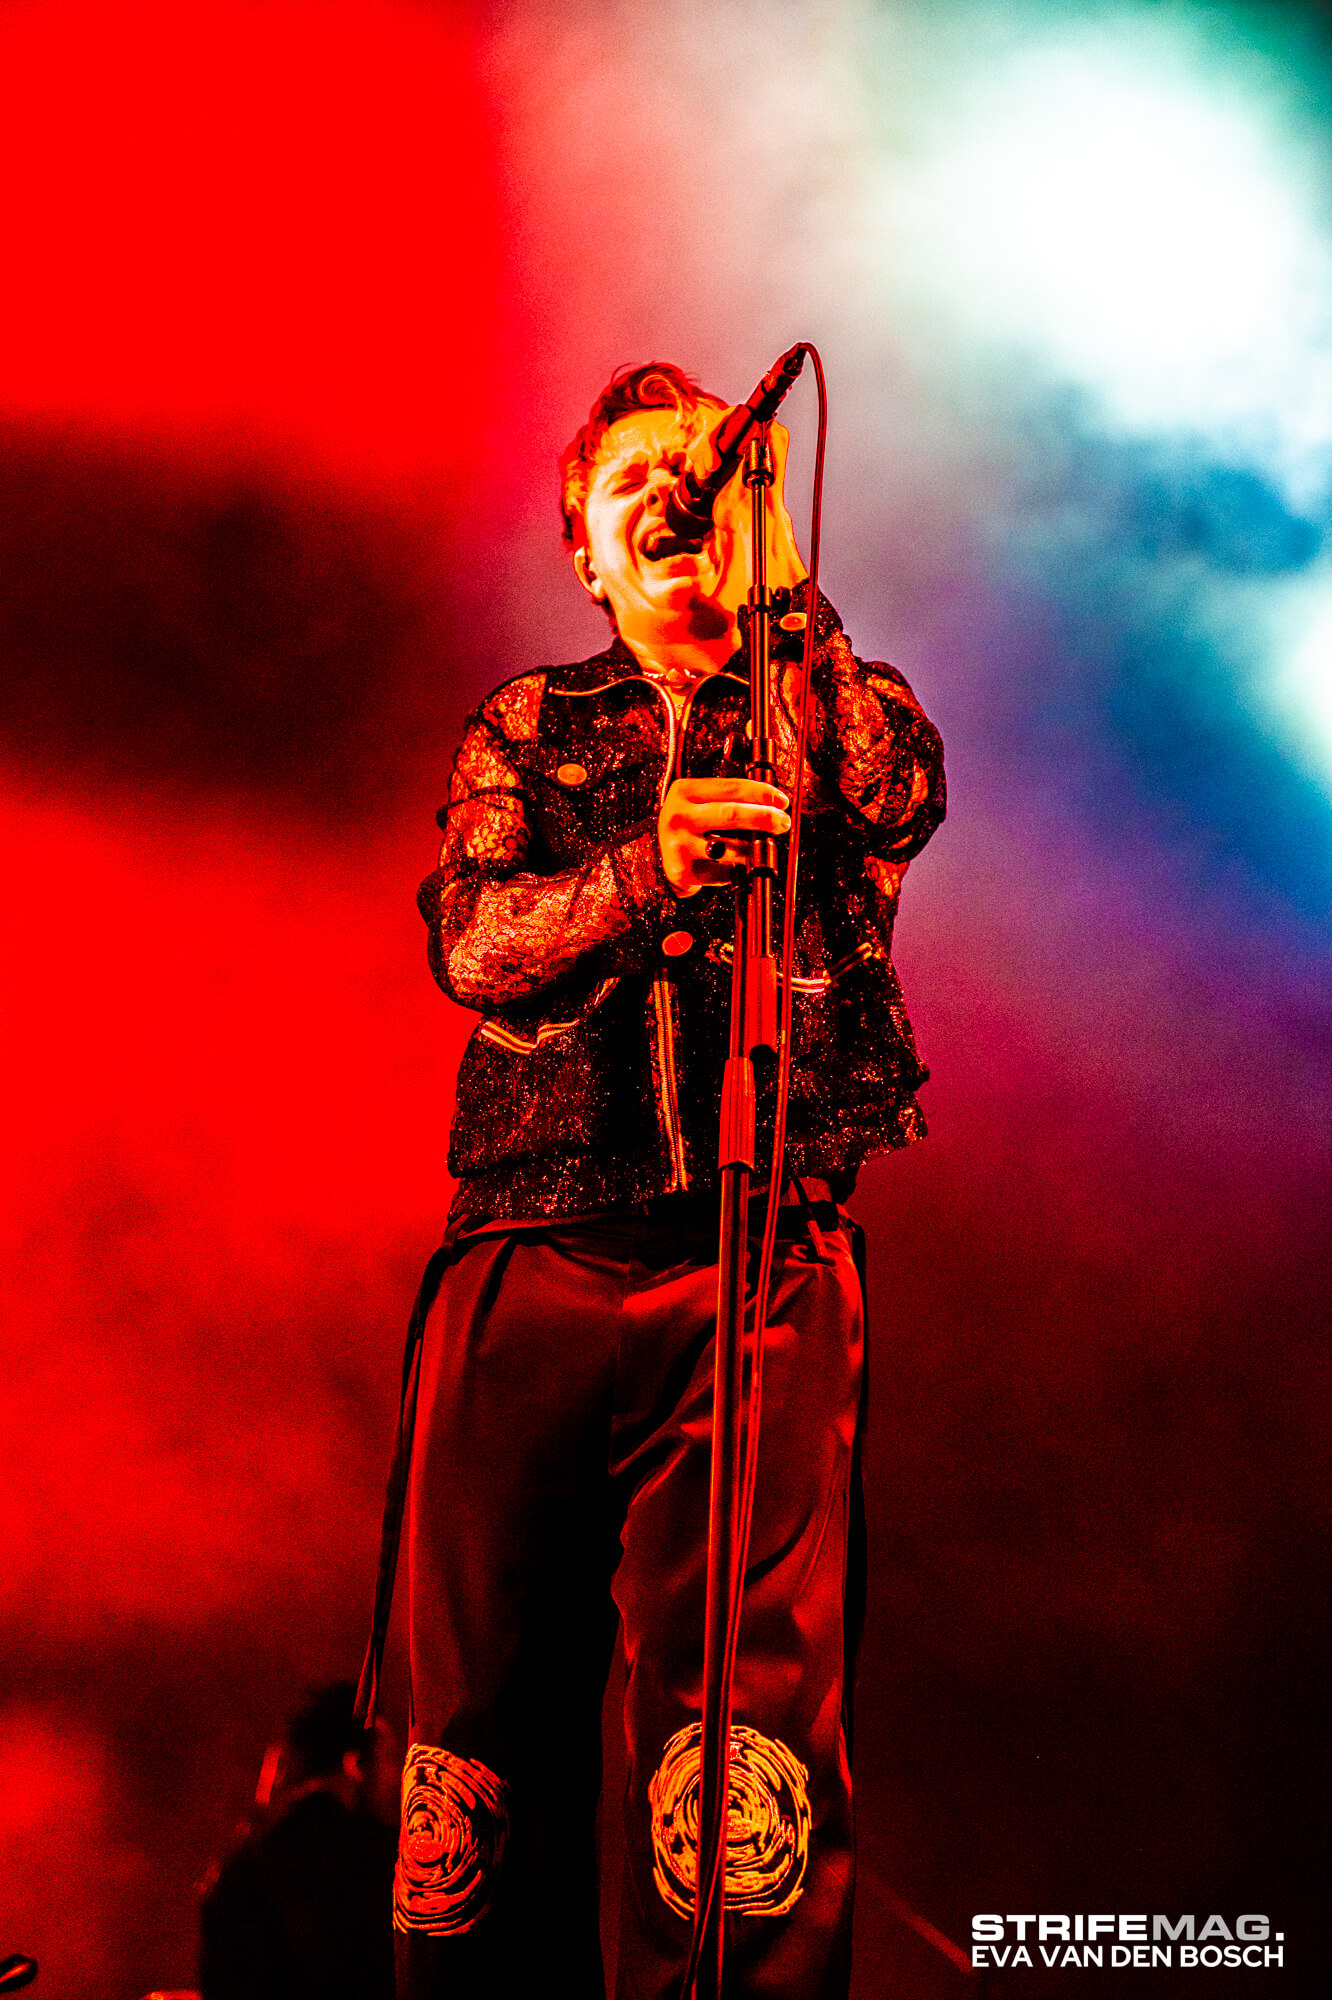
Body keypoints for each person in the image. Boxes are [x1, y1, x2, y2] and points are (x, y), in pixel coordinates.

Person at [381, 361, 945, 1999]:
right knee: (481, 1699)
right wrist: (651, 867)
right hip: (532, 1248)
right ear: (584, 549)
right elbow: (476, 943)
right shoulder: (532, 724)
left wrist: (789, 599)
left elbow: (899, 798)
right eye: (635, 476)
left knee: (747, 1707)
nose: (678, 489)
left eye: (706, 463)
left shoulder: (840, 701)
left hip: (760, 1267)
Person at [198, 1681, 398, 2000]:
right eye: (387, 1759)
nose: (394, 1776)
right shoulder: (387, 1860)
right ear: (356, 1763)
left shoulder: (241, 1864)